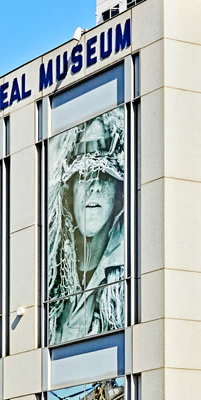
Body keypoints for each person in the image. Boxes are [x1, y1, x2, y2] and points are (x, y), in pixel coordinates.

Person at [48, 111, 126, 343]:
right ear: (70, 190)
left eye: (105, 175)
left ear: (118, 191)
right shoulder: (50, 275)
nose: (95, 187)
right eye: (84, 176)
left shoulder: (129, 273)